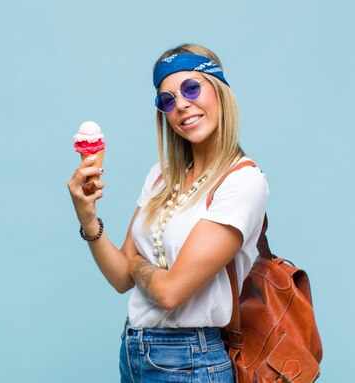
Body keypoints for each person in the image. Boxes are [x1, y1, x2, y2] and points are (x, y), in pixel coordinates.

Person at [67, 43, 269, 383]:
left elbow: (170, 292)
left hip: (190, 361)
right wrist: (87, 217)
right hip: (134, 350)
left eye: (191, 88)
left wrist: (136, 265)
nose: (181, 105)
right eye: (167, 100)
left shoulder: (242, 182)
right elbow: (121, 278)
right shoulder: (161, 176)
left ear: (219, 89)